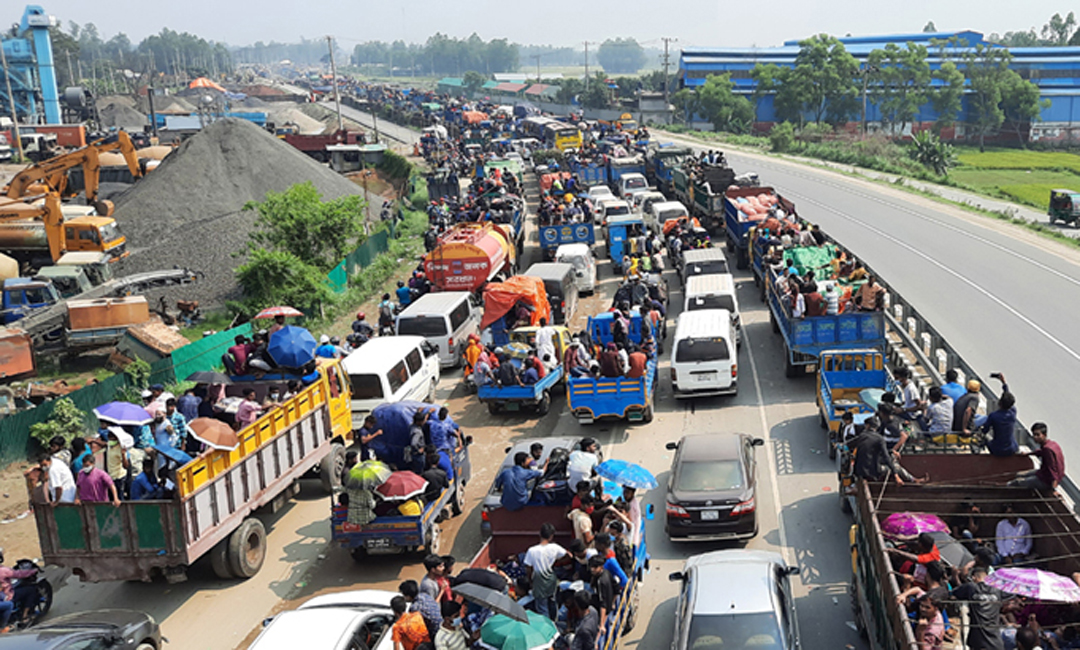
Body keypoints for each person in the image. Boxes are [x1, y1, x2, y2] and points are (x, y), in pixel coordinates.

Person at [950, 565, 1015, 650]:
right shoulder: (997, 590)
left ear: (974, 578)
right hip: (995, 642)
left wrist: (955, 576)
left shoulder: (971, 587)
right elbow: (1012, 593)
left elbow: (954, 593)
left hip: (978, 642)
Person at [524, 523, 568, 620]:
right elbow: (568, 555)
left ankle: (547, 625)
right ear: (551, 536)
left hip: (539, 580)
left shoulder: (532, 550)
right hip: (551, 578)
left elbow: (528, 568)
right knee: (552, 602)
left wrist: (531, 581)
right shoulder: (554, 547)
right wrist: (557, 561)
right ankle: (554, 621)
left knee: (542, 606)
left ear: (540, 534)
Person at [1010, 423, 1065, 491]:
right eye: (1034, 435)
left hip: (1046, 480)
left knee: (1016, 482)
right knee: (1019, 474)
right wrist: (1028, 454)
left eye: (1038, 435)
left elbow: (1052, 468)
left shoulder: (1047, 450)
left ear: (1044, 435)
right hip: (1043, 473)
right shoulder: (1052, 444)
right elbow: (1040, 452)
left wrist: (1054, 486)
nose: (1035, 437)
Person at [981, 373, 1018, 457]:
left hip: (997, 450)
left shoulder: (993, 416)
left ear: (999, 403)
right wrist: (1004, 383)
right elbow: (1008, 398)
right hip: (1011, 449)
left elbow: (985, 430)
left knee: (986, 440)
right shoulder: (1013, 412)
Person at [589, 555, 615, 631]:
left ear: (601, 566)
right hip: (608, 604)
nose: (592, 569)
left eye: (595, 567)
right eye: (591, 566)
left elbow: (602, 603)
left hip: (602, 607)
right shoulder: (606, 572)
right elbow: (616, 589)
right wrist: (612, 603)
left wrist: (601, 625)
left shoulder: (601, 582)